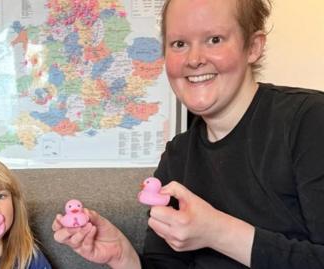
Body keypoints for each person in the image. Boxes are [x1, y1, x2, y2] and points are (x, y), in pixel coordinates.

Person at [52, 0, 324, 268]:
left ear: (252, 47)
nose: (194, 60)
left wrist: (218, 231)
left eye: (215, 39)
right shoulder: (177, 157)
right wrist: (123, 257)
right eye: (179, 44)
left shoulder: (310, 120)